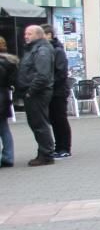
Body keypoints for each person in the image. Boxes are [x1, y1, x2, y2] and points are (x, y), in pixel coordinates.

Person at [17, 25, 56, 166]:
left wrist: (30, 92)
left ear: (39, 35)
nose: (26, 36)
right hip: (34, 92)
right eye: (25, 33)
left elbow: (42, 75)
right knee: (36, 123)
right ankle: (44, 152)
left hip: (38, 93)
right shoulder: (33, 49)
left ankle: (46, 154)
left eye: (29, 33)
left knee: (39, 123)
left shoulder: (42, 50)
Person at [41, 25, 72, 159]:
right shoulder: (46, 50)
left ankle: (64, 148)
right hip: (50, 91)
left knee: (60, 120)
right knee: (53, 120)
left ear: (49, 35)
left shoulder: (57, 51)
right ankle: (58, 146)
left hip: (58, 92)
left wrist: (49, 84)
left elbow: (61, 73)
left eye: (42, 34)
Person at [0, 37, 16, 168]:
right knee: (4, 128)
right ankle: (8, 156)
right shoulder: (9, 61)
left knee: (4, 128)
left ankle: (7, 156)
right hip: (4, 97)